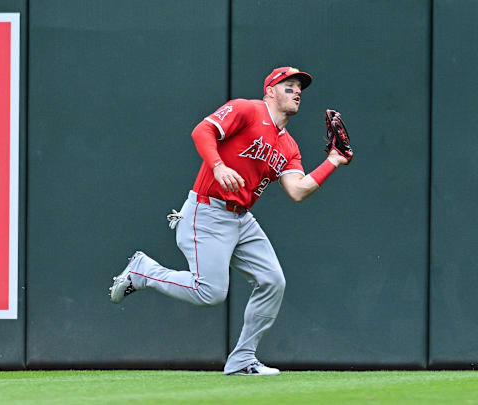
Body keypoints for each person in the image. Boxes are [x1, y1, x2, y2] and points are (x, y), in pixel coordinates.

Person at [109, 66, 350, 375]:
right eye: (288, 86)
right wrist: (219, 165)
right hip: (207, 211)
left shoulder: (288, 145)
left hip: (241, 219)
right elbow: (202, 131)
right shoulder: (247, 109)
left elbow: (298, 190)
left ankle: (243, 359)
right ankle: (144, 272)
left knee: (272, 281)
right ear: (270, 91)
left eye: (299, 88)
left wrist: (333, 161)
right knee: (209, 292)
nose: (297, 92)